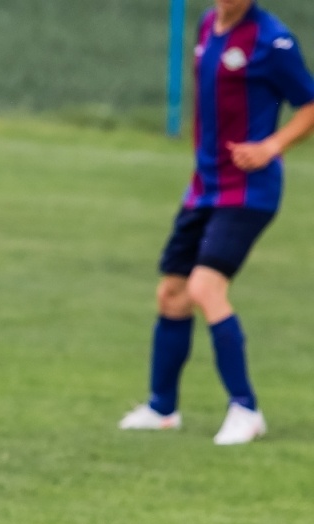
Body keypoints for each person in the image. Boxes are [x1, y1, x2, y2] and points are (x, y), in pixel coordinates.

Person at [120, 0, 314, 445]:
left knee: (205, 288)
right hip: (203, 188)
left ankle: (245, 410)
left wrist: (272, 146)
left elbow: (309, 104)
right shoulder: (209, 23)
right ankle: (162, 408)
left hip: (248, 191)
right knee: (171, 294)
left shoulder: (272, 40)